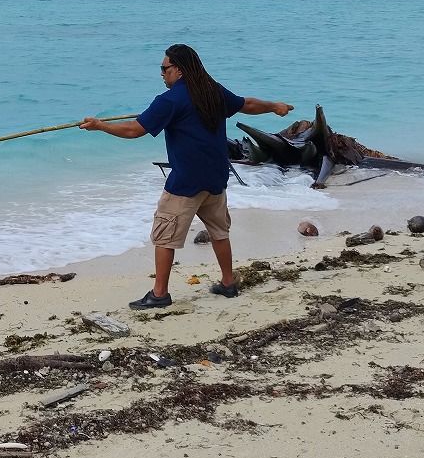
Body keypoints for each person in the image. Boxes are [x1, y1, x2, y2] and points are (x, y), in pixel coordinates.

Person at [80, 44, 293, 309]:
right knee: (219, 231)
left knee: (164, 235)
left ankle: (159, 294)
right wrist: (275, 106)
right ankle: (228, 283)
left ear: (179, 70)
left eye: (164, 68)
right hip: (216, 176)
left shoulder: (169, 101)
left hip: (186, 182)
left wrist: (100, 126)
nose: (161, 73)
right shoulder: (211, 91)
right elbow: (246, 104)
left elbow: (134, 130)